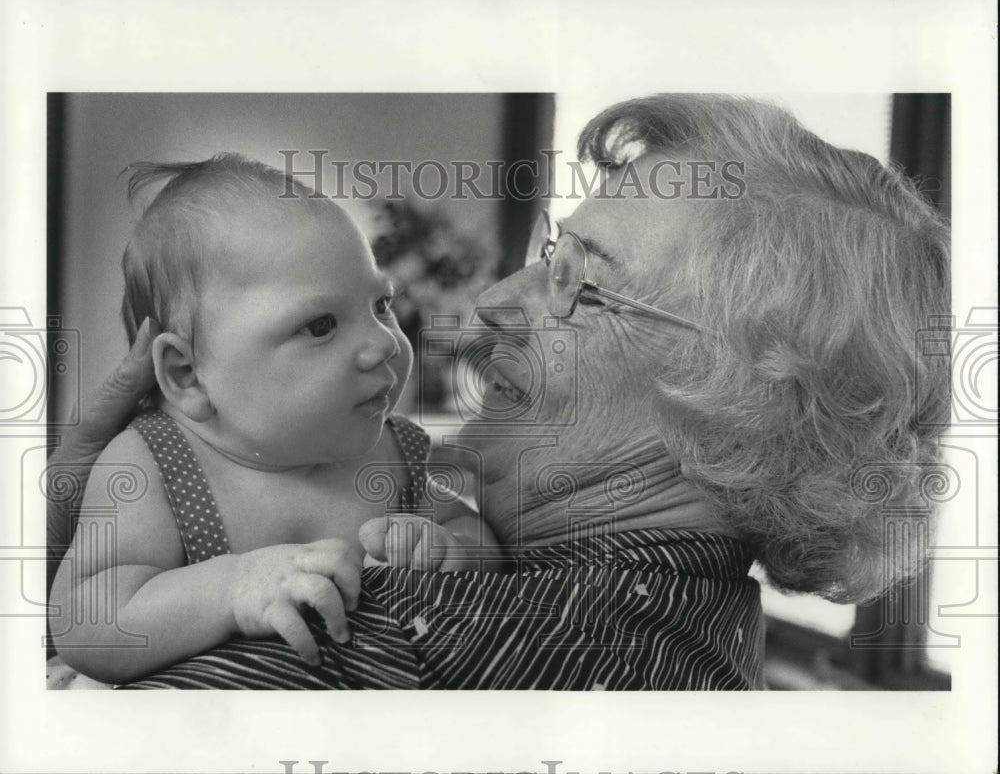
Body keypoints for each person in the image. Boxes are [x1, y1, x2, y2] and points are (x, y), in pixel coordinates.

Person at [47, 94, 950, 690]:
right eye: (548, 255)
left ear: (738, 411)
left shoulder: (408, 635)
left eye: (580, 284)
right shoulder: (696, 631)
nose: (491, 302)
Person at [48, 155, 496, 685]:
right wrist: (233, 588)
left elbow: (475, 535)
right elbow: (86, 620)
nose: (383, 343)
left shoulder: (397, 453)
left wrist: (454, 550)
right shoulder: (154, 465)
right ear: (188, 373)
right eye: (321, 324)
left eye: (380, 305)